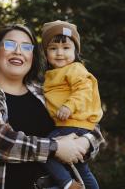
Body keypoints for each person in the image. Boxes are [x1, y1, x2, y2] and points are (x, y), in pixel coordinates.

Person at [0, 23, 105, 189]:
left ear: (33, 56)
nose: (18, 51)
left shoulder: (44, 92)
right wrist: (56, 148)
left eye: (26, 47)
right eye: (10, 44)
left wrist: (84, 142)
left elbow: (89, 124)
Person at [41, 20, 103, 189]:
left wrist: (69, 106)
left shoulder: (75, 69)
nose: (60, 53)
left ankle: (67, 184)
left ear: (76, 51)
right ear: (45, 53)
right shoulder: (52, 74)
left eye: (66, 48)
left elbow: (84, 89)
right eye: (53, 48)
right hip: (72, 124)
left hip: (73, 123)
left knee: (45, 149)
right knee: (82, 168)